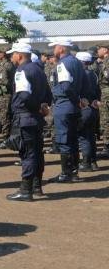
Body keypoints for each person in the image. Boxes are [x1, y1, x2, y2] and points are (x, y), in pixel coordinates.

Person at [5, 43, 52, 201]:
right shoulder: (38, 69)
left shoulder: (22, 70)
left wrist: (35, 107)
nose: (11, 57)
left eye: (13, 54)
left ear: (20, 55)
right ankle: (37, 187)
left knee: (28, 154)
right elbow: (48, 93)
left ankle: (26, 191)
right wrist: (42, 106)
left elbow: (24, 96)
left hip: (26, 117)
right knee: (37, 153)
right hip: (35, 118)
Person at [48, 40, 86, 183]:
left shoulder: (63, 63)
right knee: (73, 140)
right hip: (74, 106)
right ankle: (74, 172)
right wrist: (80, 100)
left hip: (65, 104)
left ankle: (66, 174)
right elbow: (83, 83)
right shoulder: (76, 62)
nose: (53, 50)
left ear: (61, 48)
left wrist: (75, 99)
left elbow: (66, 86)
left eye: (55, 47)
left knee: (64, 140)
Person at [75, 51, 100, 172]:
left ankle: (86, 163)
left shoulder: (80, 75)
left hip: (84, 108)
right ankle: (93, 162)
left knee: (84, 137)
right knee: (91, 136)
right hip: (94, 108)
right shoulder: (93, 74)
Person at [0, 48, 16, 148]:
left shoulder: (8, 64)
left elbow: (6, 81)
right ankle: (6, 139)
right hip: (0, 94)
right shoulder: (0, 63)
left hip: (6, 94)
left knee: (5, 117)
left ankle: (6, 140)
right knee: (2, 116)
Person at [97, 44, 109, 158]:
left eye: (99, 49)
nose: (97, 51)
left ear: (105, 50)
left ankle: (107, 147)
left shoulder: (107, 62)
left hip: (106, 94)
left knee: (106, 120)